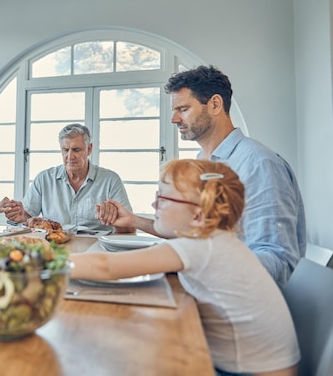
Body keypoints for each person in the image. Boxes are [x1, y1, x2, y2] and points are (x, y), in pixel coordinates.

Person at [71, 159, 300, 376]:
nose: (154, 205)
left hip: (247, 372)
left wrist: (46, 262)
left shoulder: (199, 247)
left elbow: (105, 266)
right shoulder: (218, 240)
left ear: (198, 216)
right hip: (264, 365)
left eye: (163, 199)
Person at [104, 66, 306, 286]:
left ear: (215, 104)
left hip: (240, 305)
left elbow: (279, 263)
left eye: (183, 109)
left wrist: (188, 261)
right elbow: (193, 234)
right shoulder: (203, 162)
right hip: (208, 289)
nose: (174, 119)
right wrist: (134, 220)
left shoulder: (258, 164)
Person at [4, 123, 135, 233]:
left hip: (96, 251)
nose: (70, 156)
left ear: (89, 149)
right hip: (54, 249)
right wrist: (22, 217)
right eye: (65, 150)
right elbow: (28, 219)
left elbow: (130, 229)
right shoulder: (44, 179)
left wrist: (113, 218)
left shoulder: (110, 180)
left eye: (76, 150)